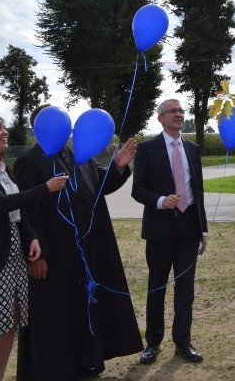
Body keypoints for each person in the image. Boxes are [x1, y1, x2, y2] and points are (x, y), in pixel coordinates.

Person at [14, 104, 143, 380]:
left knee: (83, 307)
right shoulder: (28, 161)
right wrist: (38, 254)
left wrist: (118, 167)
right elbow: (26, 211)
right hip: (53, 252)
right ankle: (56, 368)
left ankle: (86, 359)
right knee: (55, 312)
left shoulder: (77, 154)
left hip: (85, 249)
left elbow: (99, 187)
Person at [0, 115, 68, 381]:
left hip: (15, 253)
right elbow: (0, 204)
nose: (5, 132)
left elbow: (19, 211)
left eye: (4, 127)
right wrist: (45, 188)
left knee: (10, 324)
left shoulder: (4, 170)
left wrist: (31, 236)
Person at [132, 98, 209, 364]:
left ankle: (183, 342)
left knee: (185, 288)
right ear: (161, 118)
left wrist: (203, 229)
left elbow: (197, 191)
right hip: (159, 228)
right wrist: (160, 201)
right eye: (172, 111)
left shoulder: (193, 149)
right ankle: (152, 343)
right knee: (157, 286)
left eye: (181, 111)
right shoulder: (147, 149)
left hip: (188, 227)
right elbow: (138, 189)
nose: (179, 114)